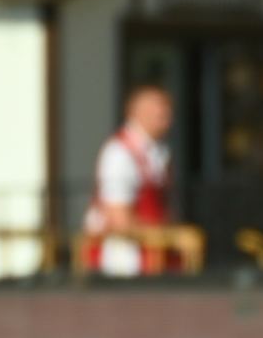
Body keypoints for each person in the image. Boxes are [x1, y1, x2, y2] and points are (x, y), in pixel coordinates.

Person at [82, 84, 197, 276]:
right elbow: (119, 219)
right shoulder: (119, 153)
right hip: (125, 261)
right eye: (159, 111)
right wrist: (169, 237)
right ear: (138, 113)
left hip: (153, 257)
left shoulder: (157, 152)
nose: (167, 118)